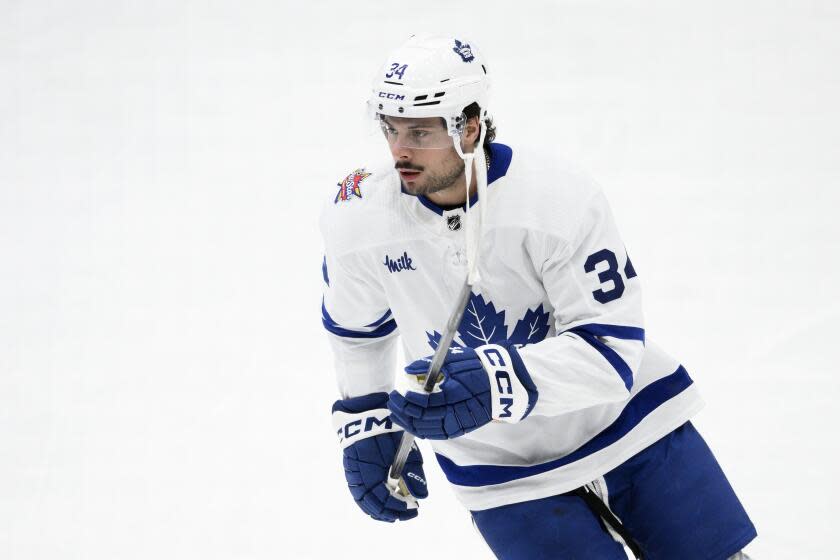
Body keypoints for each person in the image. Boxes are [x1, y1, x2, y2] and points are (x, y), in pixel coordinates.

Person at [320, 33, 756, 560]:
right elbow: (357, 329)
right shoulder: (360, 217)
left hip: (628, 427)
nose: (399, 150)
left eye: (420, 131)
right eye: (390, 128)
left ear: (469, 125)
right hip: (500, 470)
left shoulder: (556, 198)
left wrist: (495, 383)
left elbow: (610, 351)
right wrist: (364, 417)